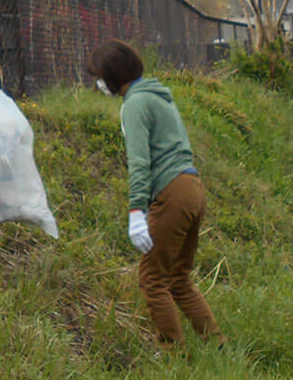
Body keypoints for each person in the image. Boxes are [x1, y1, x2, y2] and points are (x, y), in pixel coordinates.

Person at [87, 39, 224, 347]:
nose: (97, 83)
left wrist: (136, 210)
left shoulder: (134, 104)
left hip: (171, 192)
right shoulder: (159, 95)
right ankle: (218, 345)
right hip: (192, 187)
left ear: (111, 76)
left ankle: (174, 356)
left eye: (98, 76)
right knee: (178, 278)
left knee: (152, 279)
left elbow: (139, 161)